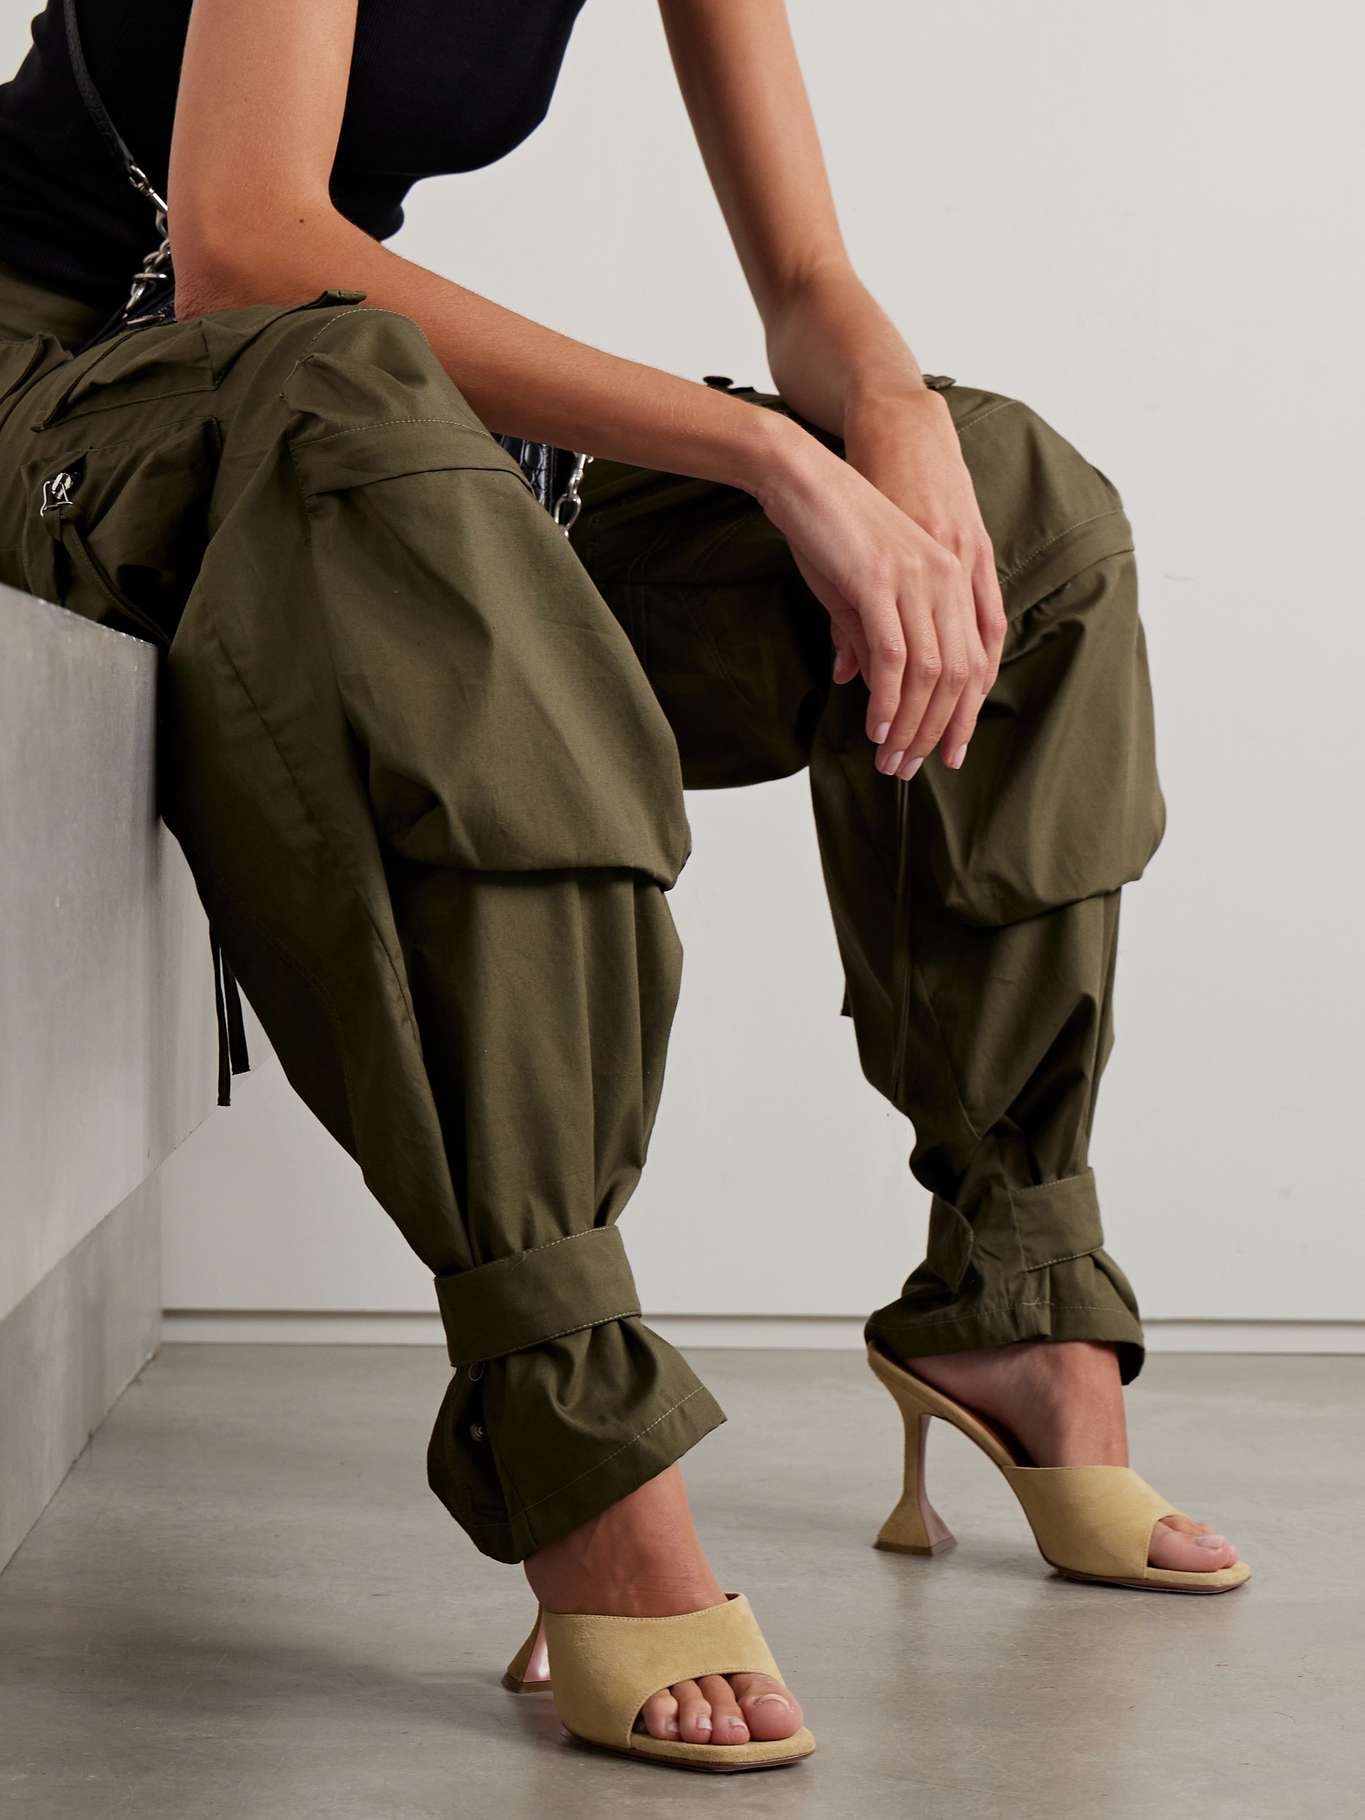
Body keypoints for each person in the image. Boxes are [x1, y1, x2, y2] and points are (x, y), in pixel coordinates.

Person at [0, 0, 1246, 1776]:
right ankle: (570, 1412)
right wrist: (770, 454)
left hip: (307, 397)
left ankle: (1018, 1294)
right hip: (64, 402)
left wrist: (884, 414)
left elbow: (804, 277)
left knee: (1012, 508)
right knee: (366, 405)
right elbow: (248, 245)